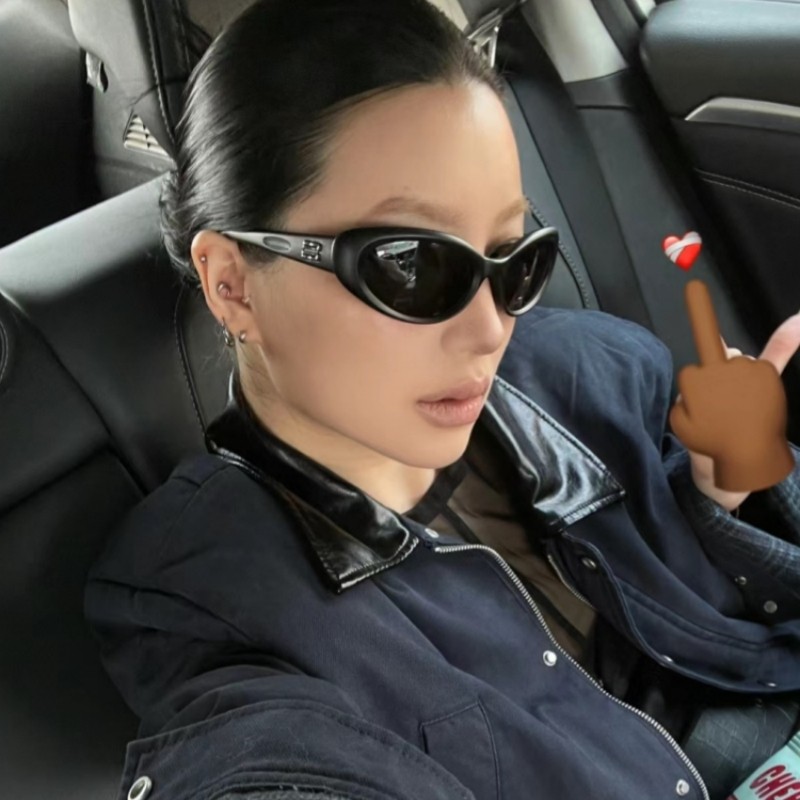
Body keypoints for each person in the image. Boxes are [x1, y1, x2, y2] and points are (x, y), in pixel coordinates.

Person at [84, 1, 800, 799]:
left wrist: (720, 491)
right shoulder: (209, 596)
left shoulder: (587, 368)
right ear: (233, 284)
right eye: (412, 264)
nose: (491, 328)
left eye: (513, 259)